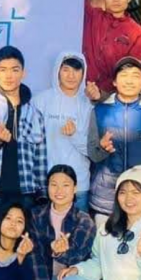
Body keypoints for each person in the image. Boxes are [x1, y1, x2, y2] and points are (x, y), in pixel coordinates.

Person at [0, 46, 48, 231]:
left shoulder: (35, 113)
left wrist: (43, 193)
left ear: (23, 73)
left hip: (25, 195)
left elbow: (40, 159)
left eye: (14, 69)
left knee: (21, 243)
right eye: (3, 70)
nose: (9, 75)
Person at [87, 57, 141, 225]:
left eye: (135, 76)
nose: (129, 81)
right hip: (106, 199)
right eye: (124, 75)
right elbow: (93, 154)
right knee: (106, 241)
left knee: (139, 241)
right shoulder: (100, 111)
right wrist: (102, 148)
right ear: (114, 82)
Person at [33, 52, 94, 213]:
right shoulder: (41, 100)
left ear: (83, 73)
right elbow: (31, 142)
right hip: (47, 184)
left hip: (78, 186)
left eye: (76, 70)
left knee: (78, 228)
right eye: (66, 69)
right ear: (57, 71)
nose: (71, 76)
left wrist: (74, 135)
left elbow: (93, 150)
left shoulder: (89, 105)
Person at [82, 0, 141, 100]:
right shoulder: (92, 16)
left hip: (110, 97)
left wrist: (101, 92)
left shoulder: (137, 32)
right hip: (78, 90)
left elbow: (129, 70)